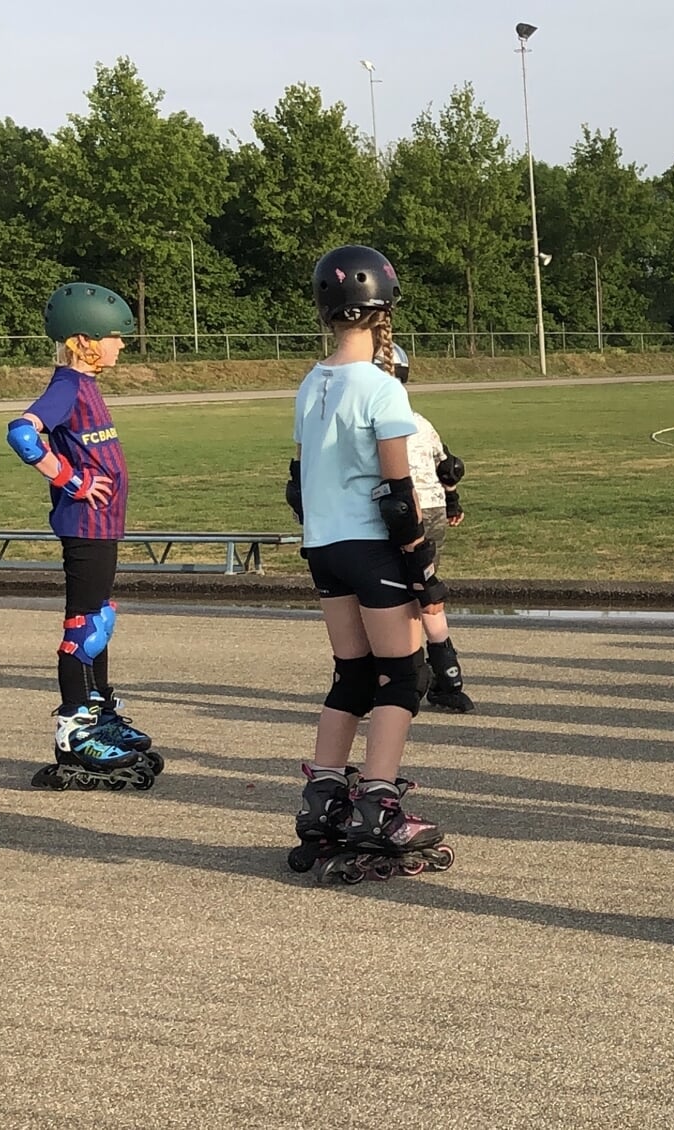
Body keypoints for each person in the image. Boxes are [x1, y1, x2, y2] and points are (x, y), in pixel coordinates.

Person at [285, 245, 454, 883]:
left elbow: (298, 484)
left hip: (322, 548)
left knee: (350, 674)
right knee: (403, 678)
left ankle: (324, 795)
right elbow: (399, 498)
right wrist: (422, 574)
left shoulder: (310, 381)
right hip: (371, 548)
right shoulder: (383, 389)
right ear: (383, 312)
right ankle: (378, 801)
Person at [8, 283, 161, 790]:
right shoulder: (68, 386)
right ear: (83, 340)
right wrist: (70, 480)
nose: (121, 345)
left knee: (101, 620)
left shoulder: (88, 387)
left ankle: (98, 711)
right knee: (84, 627)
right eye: (113, 336)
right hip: (85, 528)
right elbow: (21, 434)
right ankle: (72, 728)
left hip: (102, 527)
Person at [391, 344, 474, 713]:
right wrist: (453, 501)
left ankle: (403, 677)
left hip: (402, 510)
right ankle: (449, 677)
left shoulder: (377, 420)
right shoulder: (420, 420)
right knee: (427, 590)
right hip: (435, 507)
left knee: (393, 596)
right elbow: (449, 466)